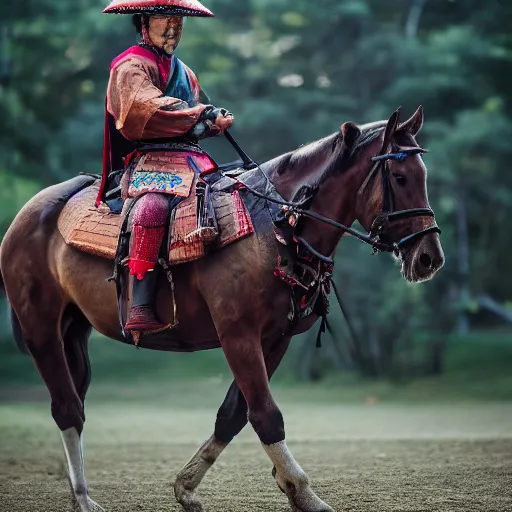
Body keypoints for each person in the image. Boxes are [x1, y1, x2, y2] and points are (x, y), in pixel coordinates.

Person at [98, 0, 234, 333]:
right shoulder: (129, 66)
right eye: (165, 22)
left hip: (191, 159)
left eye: (179, 23)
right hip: (150, 158)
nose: (173, 30)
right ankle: (141, 304)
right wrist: (198, 115)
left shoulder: (185, 71)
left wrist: (212, 120)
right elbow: (143, 108)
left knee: (237, 193)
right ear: (144, 23)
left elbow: (195, 114)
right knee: (152, 208)